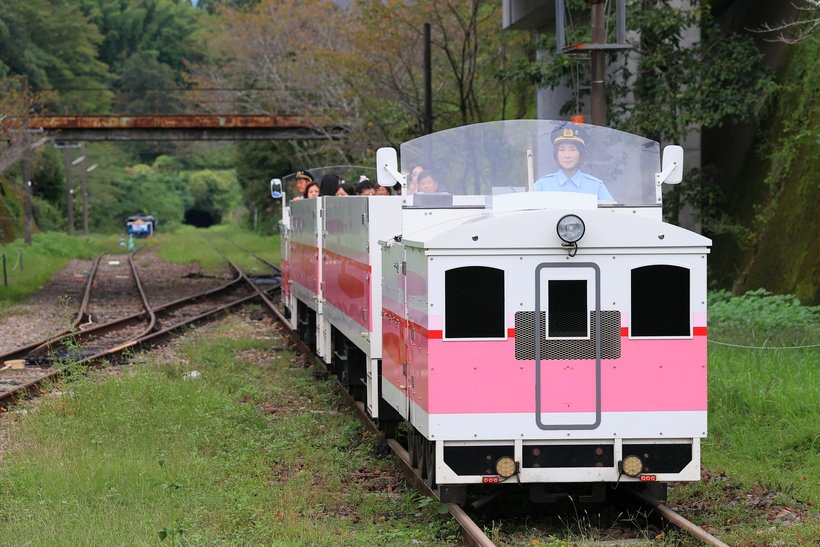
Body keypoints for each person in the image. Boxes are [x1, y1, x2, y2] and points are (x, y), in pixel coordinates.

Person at [534, 124, 614, 201]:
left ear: (580, 153)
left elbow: (611, 209)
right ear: (556, 154)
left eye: (572, 149)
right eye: (562, 149)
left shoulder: (596, 186)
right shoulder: (542, 185)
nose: (567, 155)